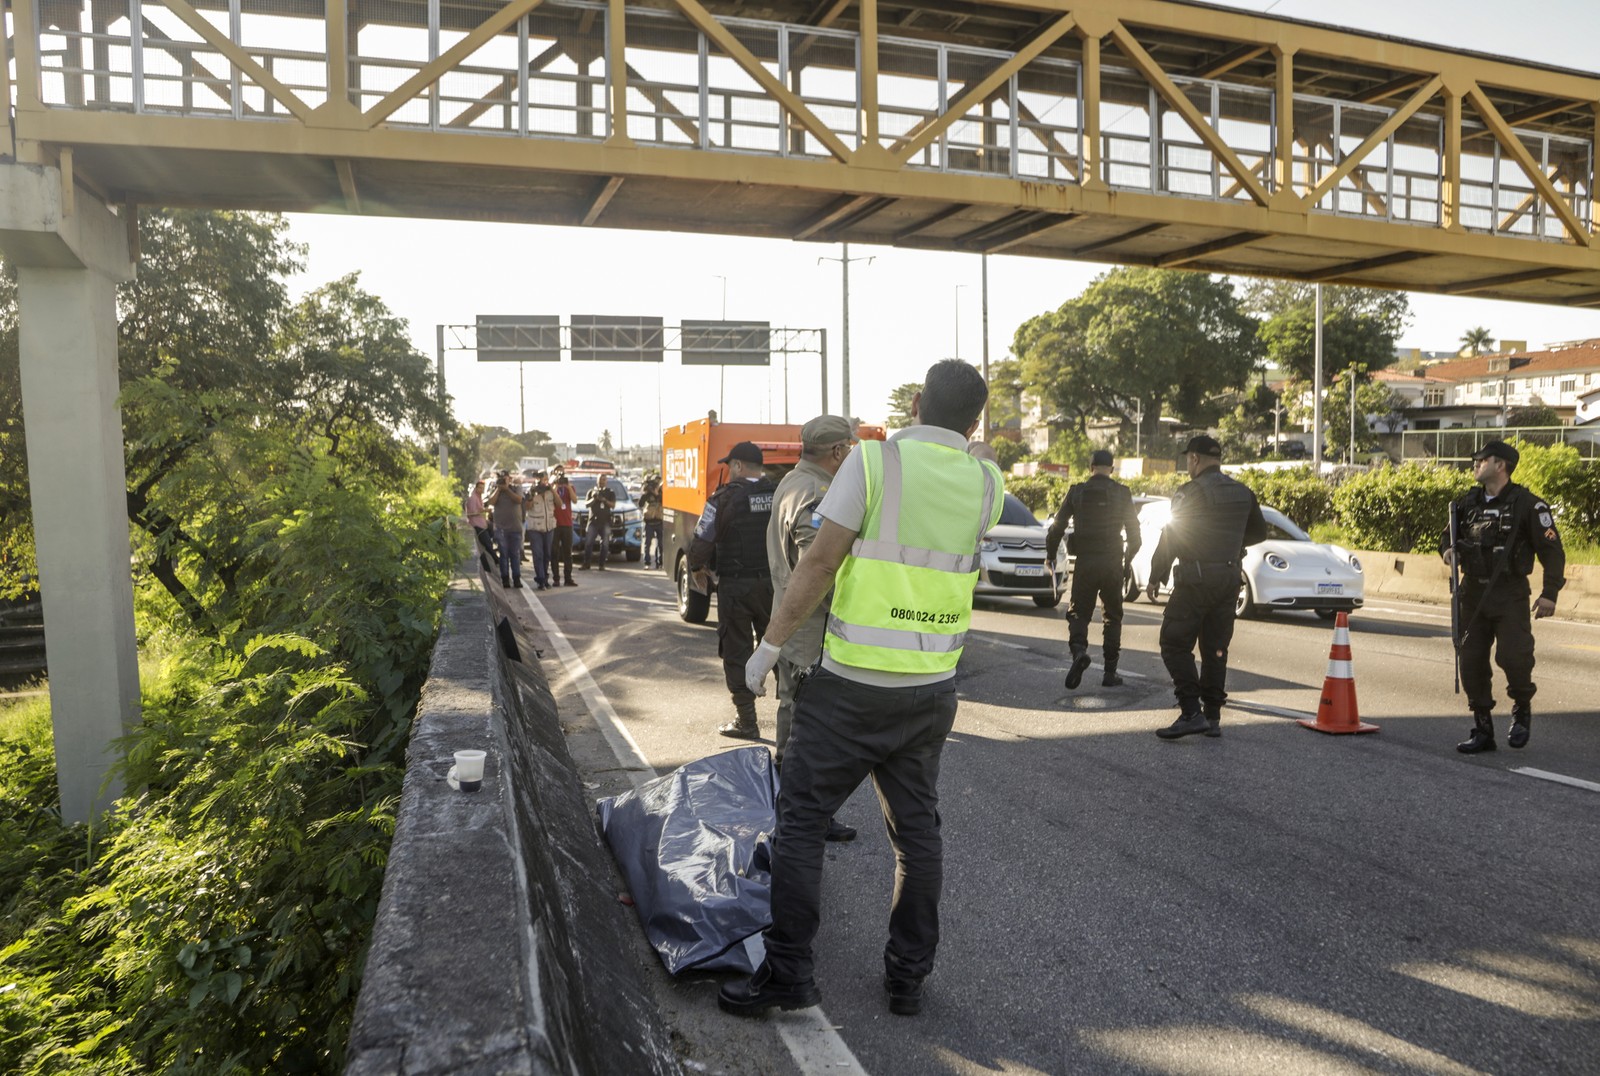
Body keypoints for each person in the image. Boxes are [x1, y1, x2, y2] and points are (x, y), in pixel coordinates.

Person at [721, 360, 1003, 1020]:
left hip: (849, 686)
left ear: (912, 404)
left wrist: (766, 649)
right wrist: (975, 439)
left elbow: (819, 560)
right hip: (930, 689)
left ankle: (789, 973)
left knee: (800, 823)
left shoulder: (872, 464)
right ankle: (907, 977)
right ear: (972, 423)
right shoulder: (985, 481)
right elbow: (984, 454)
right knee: (917, 835)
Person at [1438, 440, 1565, 753]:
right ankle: (1483, 730)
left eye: (1481, 459)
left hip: (1509, 593)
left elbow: (1552, 551)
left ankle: (1521, 708)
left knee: (1514, 656)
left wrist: (1550, 594)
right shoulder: (1467, 503)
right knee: (1471, 662)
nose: (1475, 464)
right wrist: (1448, 551)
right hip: (1472, 593)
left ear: (1500, 465)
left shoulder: (1528, 505)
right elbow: (1445, 537)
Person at [766, 414, 857, 843]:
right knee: (808, 725)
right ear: (837, 451)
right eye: (850, 449)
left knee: (795, 714)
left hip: (790, 623)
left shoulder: (790, 482)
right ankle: (802, 816)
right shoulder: (818, 493)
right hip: (809, 629)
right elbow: (816, 570)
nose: (852, 456)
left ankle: (794, 810)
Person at [1146, 435, 1267, 740]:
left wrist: (1155, 574)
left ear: (1195, 459)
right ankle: (1212, 717)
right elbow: (1259, 532)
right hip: (1229, 579)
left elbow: (1172, 535)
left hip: (1196, 579)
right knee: (1215, 648)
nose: (1188, 464)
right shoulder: (1243, 492)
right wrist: (1229, 545)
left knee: (1174, 643)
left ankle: (1191, 712)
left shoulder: (1191, 491)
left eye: (1188, 459)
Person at [687, 442, 777, 739]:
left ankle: (747, 721)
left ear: (737, 466)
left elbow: (702, 540)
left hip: (736, 587)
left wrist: (696, 568)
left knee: (737, 649)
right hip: (773, 587)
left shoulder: (723, 498)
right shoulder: (778, 493)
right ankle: (794, 718)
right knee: (779, 647)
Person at [1047, 449, 1141, 689]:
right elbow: (1135, 536)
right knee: (1112, 616)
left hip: (1086, 562)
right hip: (1112, 563)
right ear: (1111, 468)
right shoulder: (1122, 493)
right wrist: (1127, 561)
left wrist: (1050, 557)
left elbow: (1056, 528)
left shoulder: (1077, 492)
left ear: (1090, 468)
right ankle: (1110, 673)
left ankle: (1079, 652)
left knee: (1079, 613)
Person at [486, 470, 526, 589]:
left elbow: (519, 500)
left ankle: (516, 578)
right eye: (502, 479)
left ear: (510, 478)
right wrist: (499, 489)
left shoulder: (516, 488)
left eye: (506, 478)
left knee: (515, 554)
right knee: (503, 555)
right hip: (501, 528)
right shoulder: (496, 490)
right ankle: (505, 579)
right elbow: (491, 502)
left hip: (515, 527)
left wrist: (507, 489)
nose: (504, 481)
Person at [523, 470, 558, 591]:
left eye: (544, 479)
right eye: (540, 479)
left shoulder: (550, 492)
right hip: (535, 528)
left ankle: (545, 578)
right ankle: (541, 580)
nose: (542, 481)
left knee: (547, 554)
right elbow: (526, 507)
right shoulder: (530, 490)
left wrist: (552, 489)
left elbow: (559, 504)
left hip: (549, 527)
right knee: (538, 554)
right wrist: (532, 496)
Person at [580, 477, 617, 570]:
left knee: (605, 544)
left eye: (604, 480)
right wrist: (594, 498)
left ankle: (601, 565)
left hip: (605, 522)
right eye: (600, 479)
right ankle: (586, 564)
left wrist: (604, 500)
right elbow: (586, 504)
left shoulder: (610, 492)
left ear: (606, 481)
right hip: (593, 521)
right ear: (597, 481)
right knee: (588, 543)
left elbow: (613, 505)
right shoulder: (591, 491)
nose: (602, 481)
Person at [463, 478, 499, 571]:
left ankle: (488, 565)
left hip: (482, 524)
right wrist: (485, 510)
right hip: (477, 525)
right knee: (486, 544)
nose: (481, 490)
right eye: (480, 488)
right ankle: (496, 561)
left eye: (483, 488)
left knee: (485, 546)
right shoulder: (473, 499)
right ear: (476, 488)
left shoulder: (479, 498)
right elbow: (472, 512)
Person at [551, 471, 577, 586]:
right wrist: (555, 486)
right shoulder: (553, 489)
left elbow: (575, 500)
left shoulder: (569, 488)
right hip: (555, 524)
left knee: (568, 553)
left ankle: (568, 578)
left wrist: (568, 487)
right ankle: (556, 578)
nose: (561, 482)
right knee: (554, 552)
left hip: (567, 524)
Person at [639, 475, 665, 569]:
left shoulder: (661, 493)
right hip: (649, 522)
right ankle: (647, 563)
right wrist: (647, 493)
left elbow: (664, 502)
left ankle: (660, 563)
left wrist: (657, 493)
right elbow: (640, 504)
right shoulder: (647, 494)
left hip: (659, 520)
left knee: (661, 544)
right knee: (647, 543)